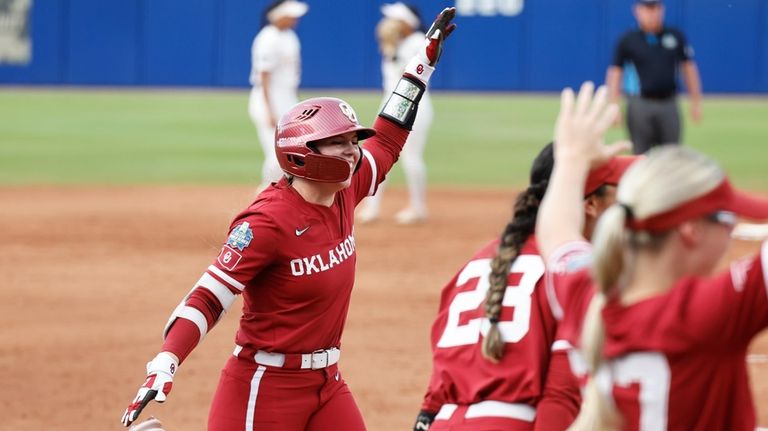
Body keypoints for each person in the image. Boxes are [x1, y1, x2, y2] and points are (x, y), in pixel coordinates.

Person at [121, 8, 457, 430]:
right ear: (303, 154)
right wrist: (166, 361)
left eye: (352, 141)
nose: (353, 152)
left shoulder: (345, 191)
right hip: (264, 387)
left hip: (327, 382)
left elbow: (387, 138)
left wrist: (419, 69)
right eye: (337, 144)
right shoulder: (265, 222)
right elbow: (209, 296)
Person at [537, 81, 768, 430]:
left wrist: (571, 158)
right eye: (726, 217)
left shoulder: (587, 296)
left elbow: (557, 234)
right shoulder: (707, 312)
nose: (732, 230)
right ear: (690, 230)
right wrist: (572, 160)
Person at [412, 142, 637, 431]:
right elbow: (562, 393)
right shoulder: (571, 274)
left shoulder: (481, 261)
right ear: (591, 204)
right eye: (621, 194)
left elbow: (439, 379)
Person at [357, 2, 433, 224]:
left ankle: (418, 208)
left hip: (412, 104)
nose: (390, 24)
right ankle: (372, 207)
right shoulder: (399, 43)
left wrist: (393, 50)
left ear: (407, 22)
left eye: (396, 19)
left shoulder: (418, 42)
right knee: (377, 153)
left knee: (411, 158)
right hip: (390, 103)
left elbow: (408, 76)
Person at [606, 0, 702, 155]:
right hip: (640, 104)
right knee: (640, 156)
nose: (651, 13)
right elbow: (615, 73)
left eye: (654, 8)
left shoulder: (675, 36)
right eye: (646, 9)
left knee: (672, 154)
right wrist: (614, 106)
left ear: (661, 10)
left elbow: (689, 69)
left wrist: (695, 101)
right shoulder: (628, 40)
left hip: (669, 103)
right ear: (637, 11)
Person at [249, 0, 308, 192]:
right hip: (269, 100)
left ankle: (282, 195)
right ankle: (265, 193)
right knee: (276, 155)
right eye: (291, 15)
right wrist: (269, 110)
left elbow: (292, 77)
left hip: (288, 100)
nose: (295, 19)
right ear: (278, 16)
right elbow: (264, 77)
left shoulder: (290, 36)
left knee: (293, 151)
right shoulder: (267, 39)